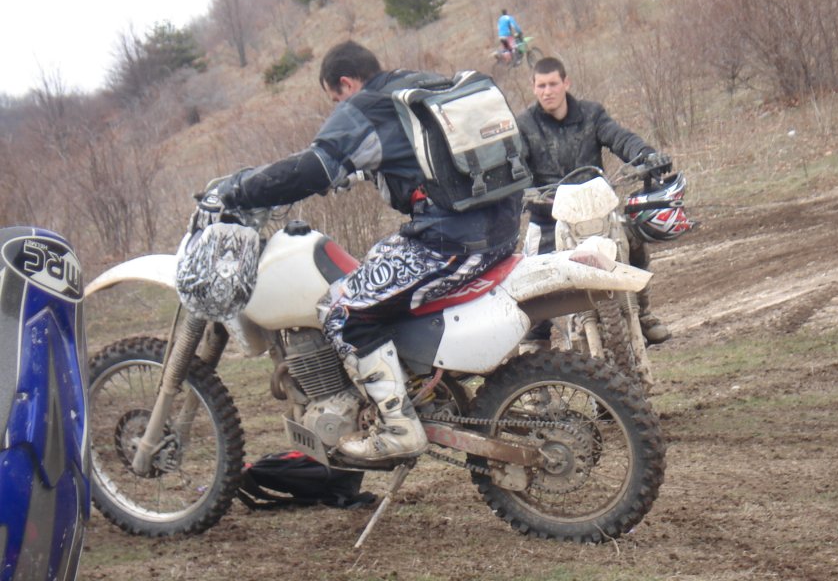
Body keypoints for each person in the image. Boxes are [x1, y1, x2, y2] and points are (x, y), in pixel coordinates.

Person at [213, 41, 522, 463]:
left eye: (335, 99)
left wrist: (239, 190)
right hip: (499, 227)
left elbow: (313, 168)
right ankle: (413, 385)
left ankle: (398, 427)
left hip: (451, 242)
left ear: (345, 83)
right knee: (373, 268)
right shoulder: (419, 88)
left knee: (341, 308)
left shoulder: (365, 108)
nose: (338, 107)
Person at [517, 56, 673, 345]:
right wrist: (518, 190)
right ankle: (534, 346)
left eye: (553, 84)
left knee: (634, 242)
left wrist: (646, 155)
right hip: (549, 218)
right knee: (533, 279)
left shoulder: (591, 114)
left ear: (566, 83)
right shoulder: (524, 125)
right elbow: (515, 164)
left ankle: (642, 313)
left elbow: (620, 138)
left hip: (596, 213)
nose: (547, 91)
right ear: (533, 87)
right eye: (541, 86)